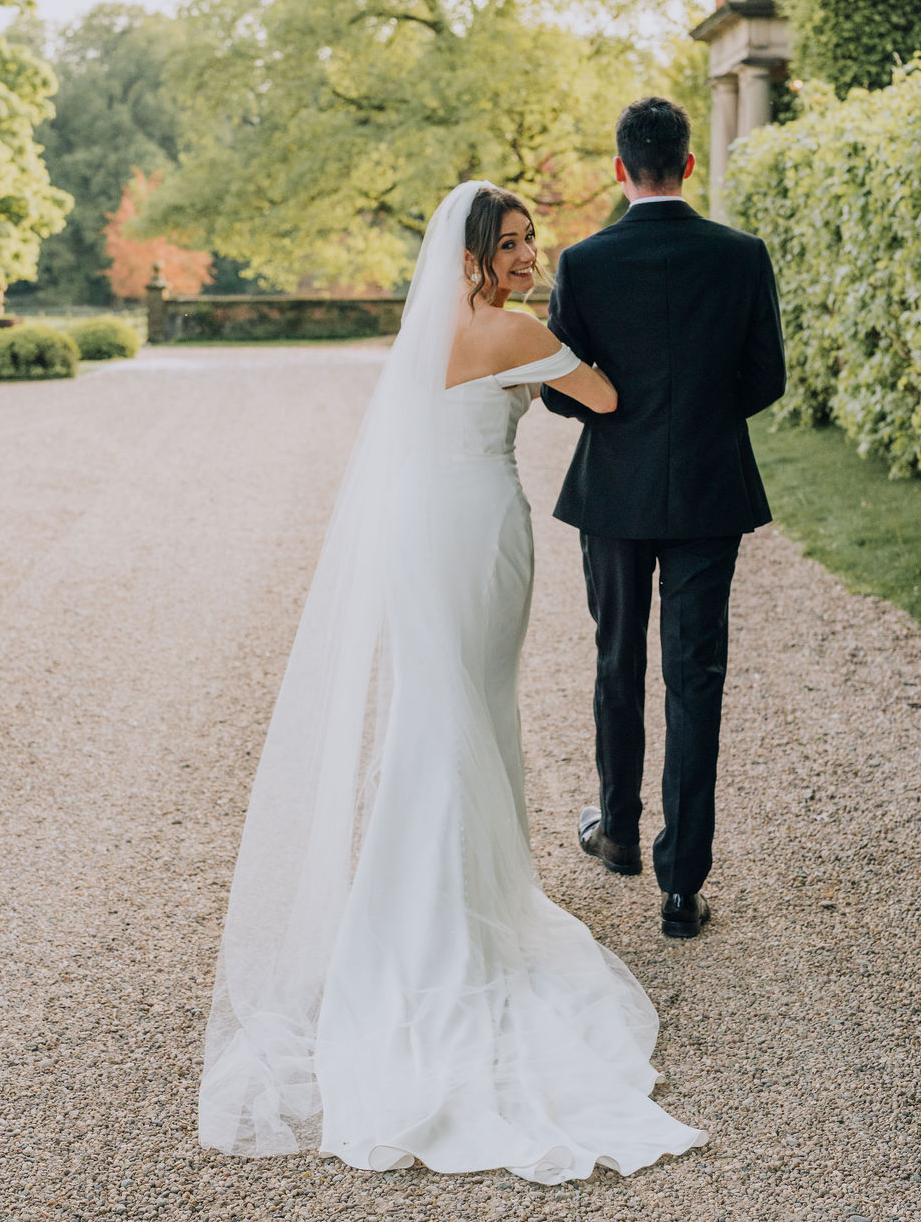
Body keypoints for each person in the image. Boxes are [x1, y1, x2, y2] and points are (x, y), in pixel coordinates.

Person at [198, 180, 710, 1183]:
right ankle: (461, 916)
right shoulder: (513, 331)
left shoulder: (427, 331)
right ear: (473, 252)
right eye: (512, 243)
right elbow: (604, 395)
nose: (528, 255)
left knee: (442, 715)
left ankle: (414, 907)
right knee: (472, 712)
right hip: (479, 530)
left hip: (417, 530)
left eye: (529, 240)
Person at [542, 97, 786, 940]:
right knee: (696, 676)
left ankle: (616, 831)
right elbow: (766, 380)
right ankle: (681, 884)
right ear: (688, 164)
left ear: (620, 168)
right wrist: (702, 418)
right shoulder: (743, 256)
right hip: (711, 491)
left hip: (612, 492)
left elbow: (558, 391)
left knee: (617, 657)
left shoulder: (583, 261)